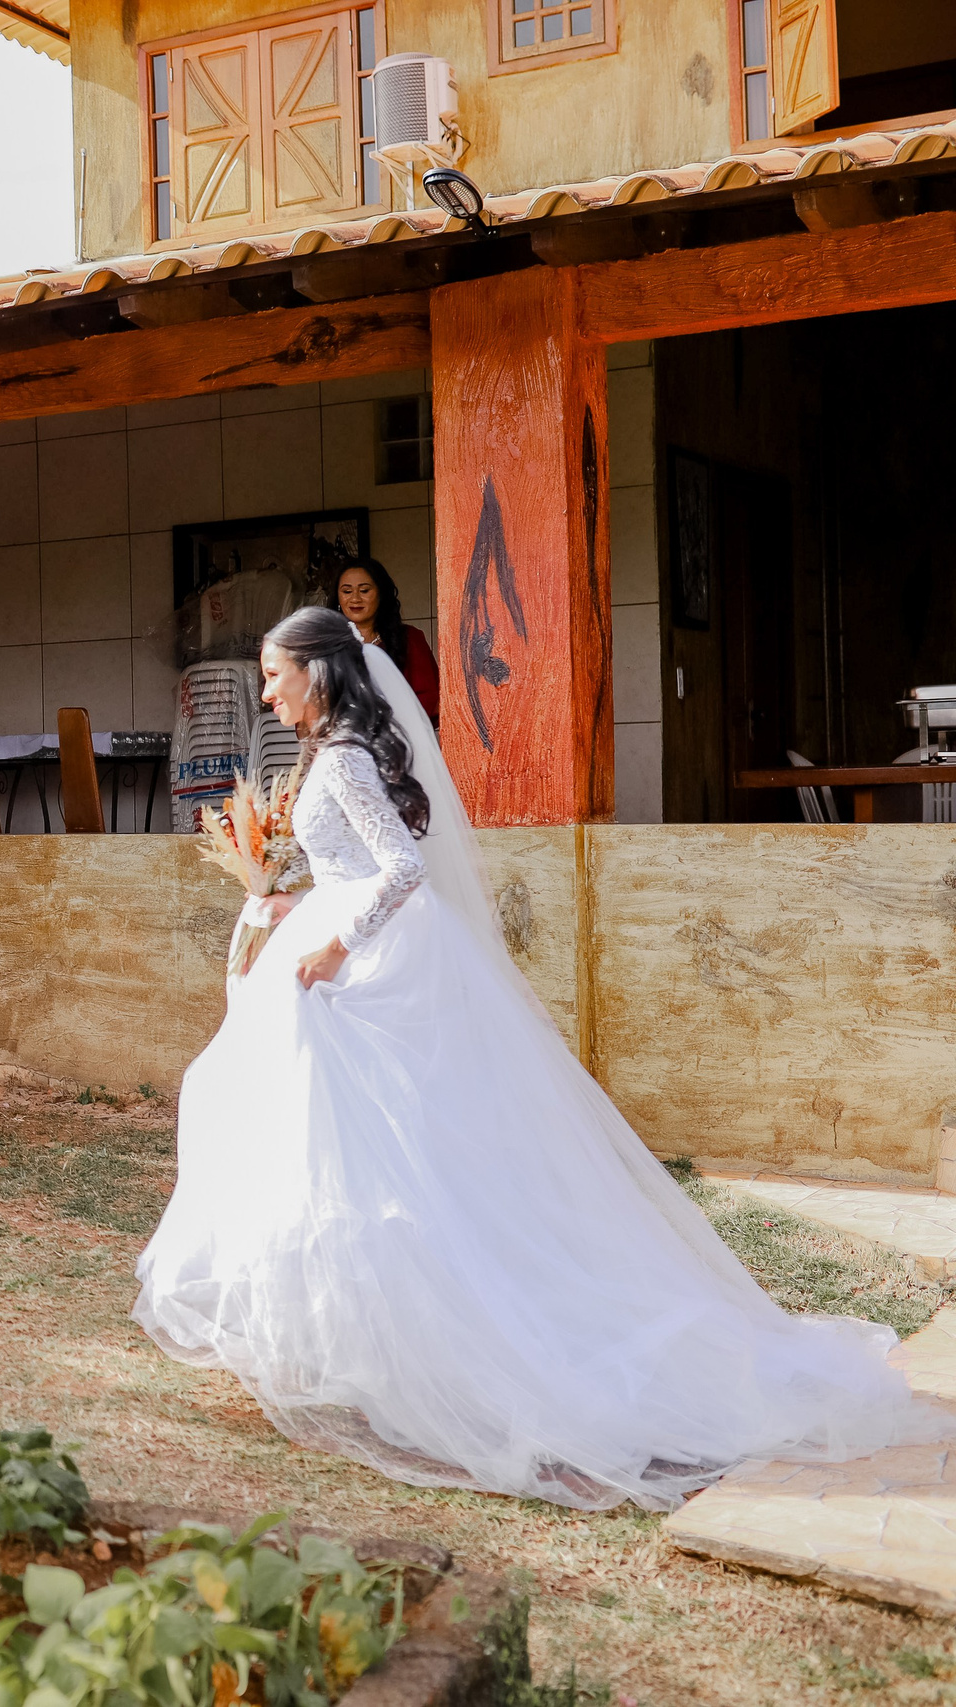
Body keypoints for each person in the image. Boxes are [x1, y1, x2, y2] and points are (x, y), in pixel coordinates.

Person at [133, 606, 956, 1511]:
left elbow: (399, 871)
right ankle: (340, 1342)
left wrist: (336, 946)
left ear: (319, 675)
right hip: (330, 948)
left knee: (376, 1152)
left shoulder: (348, 760)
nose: (266, 689)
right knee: (298, 1133)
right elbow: (349, 870)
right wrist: (287, 904)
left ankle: (417, 1345)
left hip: (361, 967)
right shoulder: (323, 759)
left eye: (274, 672)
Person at [325, 557, 437, 726]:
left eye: (364, 590)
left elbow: (430, 698)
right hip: (343, 745)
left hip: (397, 742)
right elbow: (311, 705)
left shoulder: (409, 639)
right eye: (347, 591)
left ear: (381, 593)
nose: (355, 598)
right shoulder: (326, 645)